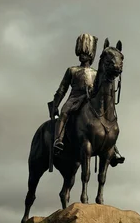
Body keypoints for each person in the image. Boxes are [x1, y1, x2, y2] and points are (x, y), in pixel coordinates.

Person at [49, 33, 125, 167]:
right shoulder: (72, 70)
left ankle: (113, 149)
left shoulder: (96, 72)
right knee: (64, 112)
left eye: (87, 54)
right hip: (74, 98)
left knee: (106, 121)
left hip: (90, 98)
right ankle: (58, 140)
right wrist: (56, 104)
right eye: (82, 54)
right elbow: (62, 90)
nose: (84, 56)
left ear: (91, 56)